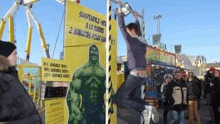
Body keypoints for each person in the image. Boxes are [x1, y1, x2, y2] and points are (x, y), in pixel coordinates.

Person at [113, 2, 159, 123]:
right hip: (143, 76)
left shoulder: (131, 40)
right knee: (132, 96)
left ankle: (143, 108)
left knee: (119, 99)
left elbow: (121, 26)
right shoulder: (143, 41)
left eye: (129, 31)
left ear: (132, 31)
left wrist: (119, 10)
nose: (127, 33)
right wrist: (137, 19)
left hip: (135, 75)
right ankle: (148, 107)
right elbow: (140, 32)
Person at [67, 45, 114, 124]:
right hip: (85, 109)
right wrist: (76, 112)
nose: (94, 54)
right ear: (89, 54)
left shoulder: (104, 73)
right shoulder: (80, 72)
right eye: (92, 53)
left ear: (98, 54)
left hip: (100, 108)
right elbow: (73, 93)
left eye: (95, 53)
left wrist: (110, 106)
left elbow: (111, 91)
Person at [0, 40, 42, 124]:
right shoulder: (2, 78)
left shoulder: (11, 76)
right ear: (5, 57)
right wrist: (22, 108)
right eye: (14, 54)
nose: (17, 57)